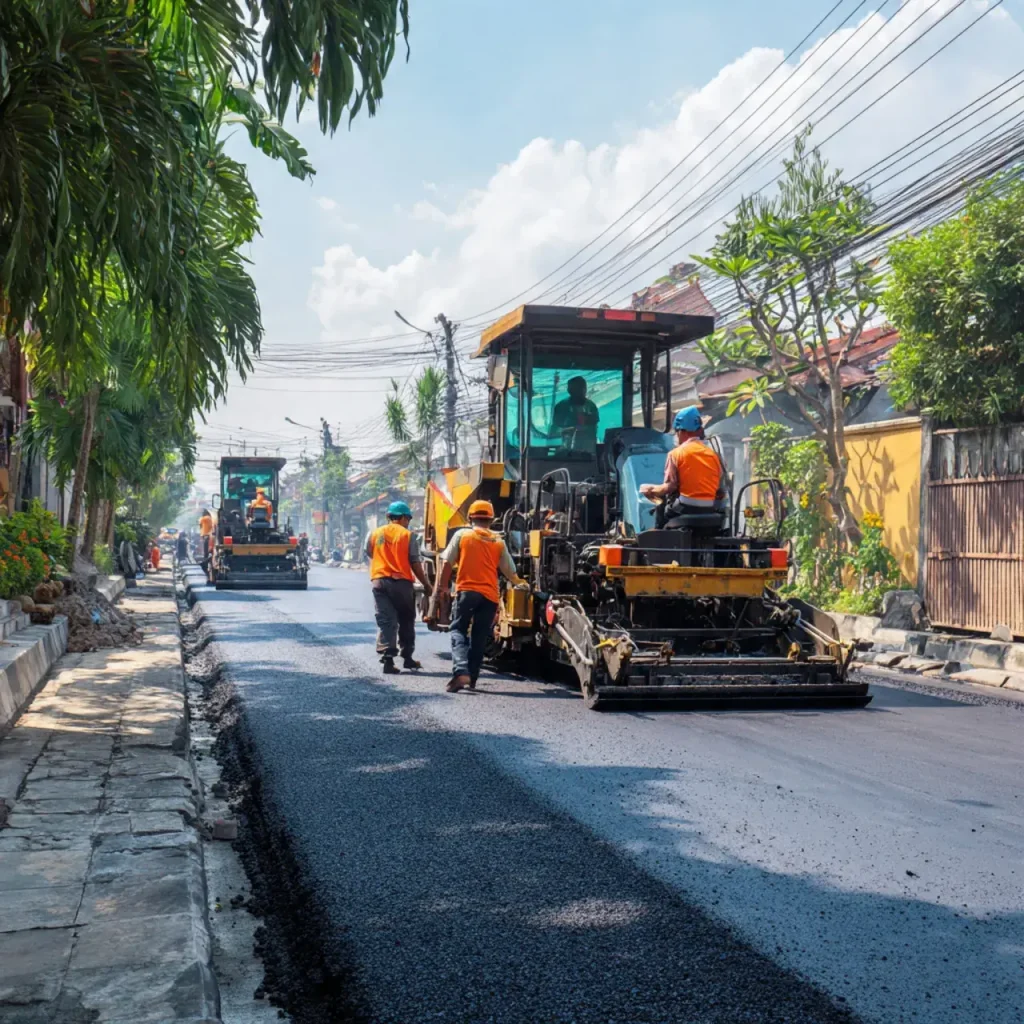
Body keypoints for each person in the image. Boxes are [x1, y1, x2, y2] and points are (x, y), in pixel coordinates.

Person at [428, 499, 527, 693]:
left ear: (471, 517)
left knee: (458, 630)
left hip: (467, 592)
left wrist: (443, 588)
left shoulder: (462, 535)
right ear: (491, 519)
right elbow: (511, 572)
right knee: (479, 637)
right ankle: (472, 678)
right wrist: (524, 585)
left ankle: (460, 671)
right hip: (490, 597)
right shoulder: (498, 541)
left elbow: (447, 562)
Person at [366, 501, 431, 675]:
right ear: (402, 517)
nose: (407, 522)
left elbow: (369, 551)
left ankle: (388, 660)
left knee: (386, 620)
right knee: (406, 620)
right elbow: (415, 562)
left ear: (389, 517)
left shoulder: (374, 533)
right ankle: (408, 658)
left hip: (379, 581)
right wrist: (426, 584)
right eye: (407, 518)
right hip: (401, 583)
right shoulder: (408, 535)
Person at [639, 406, 723, 522]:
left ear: (681, 431)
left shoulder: (676, 454)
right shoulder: (713, 455)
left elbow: (670, 486)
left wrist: (651, 489)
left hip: (685, 507)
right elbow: (719, 483)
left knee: (663, 507)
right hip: (710, 508)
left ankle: (659, 534)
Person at [550, 375, 600, 453]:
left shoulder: (591, 406)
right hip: (567, 452)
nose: (582, 392)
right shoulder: (561, 407)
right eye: (577, 389)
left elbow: (594, 428)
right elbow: (553, 432)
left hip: (588, 453)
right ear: (569, 390)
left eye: (582, 389)